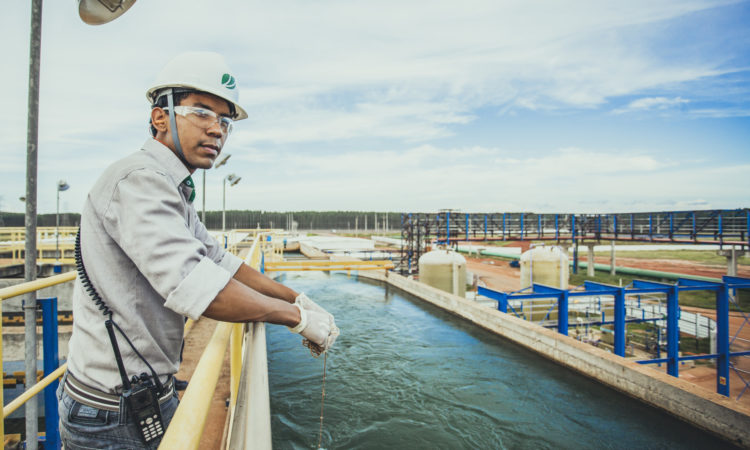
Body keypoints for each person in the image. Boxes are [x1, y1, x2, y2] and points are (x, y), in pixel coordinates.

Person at [57, 51, 339, 449]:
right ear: (160, 117)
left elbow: (220, 260)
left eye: (225, 121)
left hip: (140, 397)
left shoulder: (170, 186)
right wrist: (295, 318)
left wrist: (298, 296)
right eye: (202, 113)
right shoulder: (139, 181)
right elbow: (197, 285)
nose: (217, 131)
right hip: (111, 414)